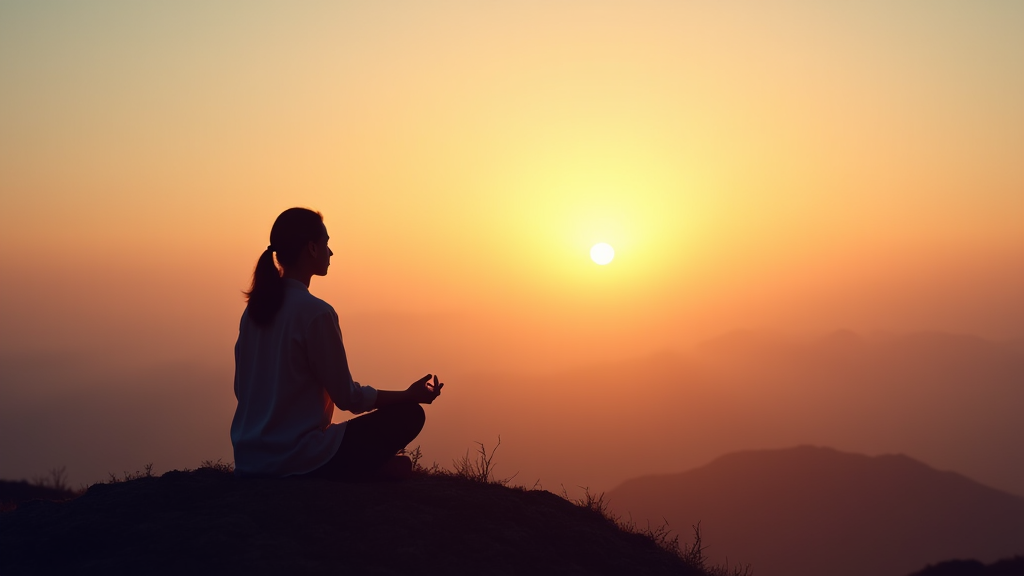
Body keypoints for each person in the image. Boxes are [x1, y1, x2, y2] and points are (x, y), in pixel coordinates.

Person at [230, 207, 443, 481]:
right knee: (410, 416)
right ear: (312, 249)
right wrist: (408, 395)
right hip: (297, 458)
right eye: (326, 243)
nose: (331, 252)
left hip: (250, 460)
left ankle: (377, 469)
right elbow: (348, 398)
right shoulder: (315, 313)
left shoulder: (253, 312)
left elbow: (241, 389)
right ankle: (365, 471)